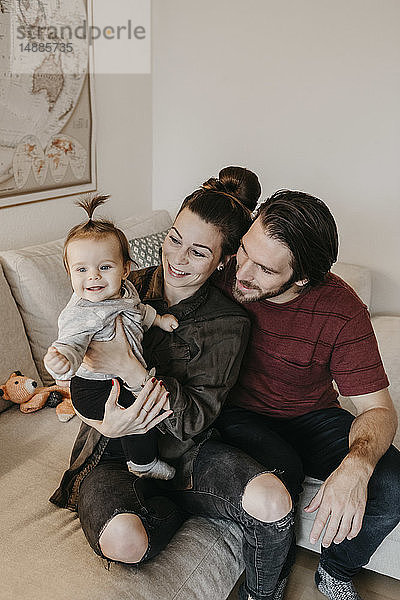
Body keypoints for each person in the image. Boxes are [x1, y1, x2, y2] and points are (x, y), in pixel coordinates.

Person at [50, 168, 301, 600]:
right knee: (123, 543)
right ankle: (165, 505)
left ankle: (264, 593)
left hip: (187, 451)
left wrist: (131, 369)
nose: (177, 259)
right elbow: (77, 365)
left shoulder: (228, 323)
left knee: (273, 502)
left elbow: (194, 420)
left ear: (223, 260)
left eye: (199, 252)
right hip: (111, 451)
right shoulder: (123, 284)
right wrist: (102, 423)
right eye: (173, 238)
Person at [215, 189, 400, 600]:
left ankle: (335, 571)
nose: (241, 272)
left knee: (392, 484)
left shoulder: (341, 308)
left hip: (312, 413)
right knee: (283, 471)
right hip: (239, 412)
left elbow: (377, 408)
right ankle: (273, 578)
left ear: (301, 279)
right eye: (244, 250)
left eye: (263, 269)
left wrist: (358, 465)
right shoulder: (223, 269)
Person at [44, 194, 178, 480]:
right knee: (136, 413)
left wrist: (160, 320)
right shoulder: (82, 312)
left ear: (125, 269)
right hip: (92, 388)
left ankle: (137, 457)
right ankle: (142, 464)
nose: (93, 277)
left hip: (118, 378)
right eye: (81, 270)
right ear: (69, 274)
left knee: (144, 409)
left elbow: (138, 311)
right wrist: (63, 359)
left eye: (104, 267)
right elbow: (73, 342)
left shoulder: (126, 291)